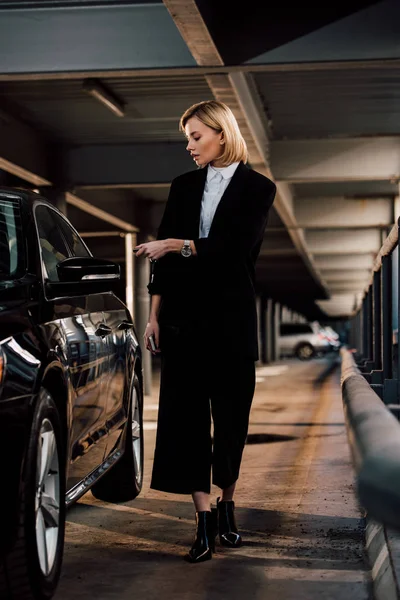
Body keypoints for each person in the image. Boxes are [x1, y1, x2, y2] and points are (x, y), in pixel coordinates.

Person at [134, 100, 276, 563]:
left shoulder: (258, 188)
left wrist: (178, 245)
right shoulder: (183, 186)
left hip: (232, 322)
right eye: (188, 138)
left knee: (232, 419)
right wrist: (154, 317)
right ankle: (202, 523)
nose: (189, 146)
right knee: (185, 420)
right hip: (183, 321)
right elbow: (161, 264)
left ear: (221, 133)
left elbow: (235, 251)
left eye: (196, 136)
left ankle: (228, 507)